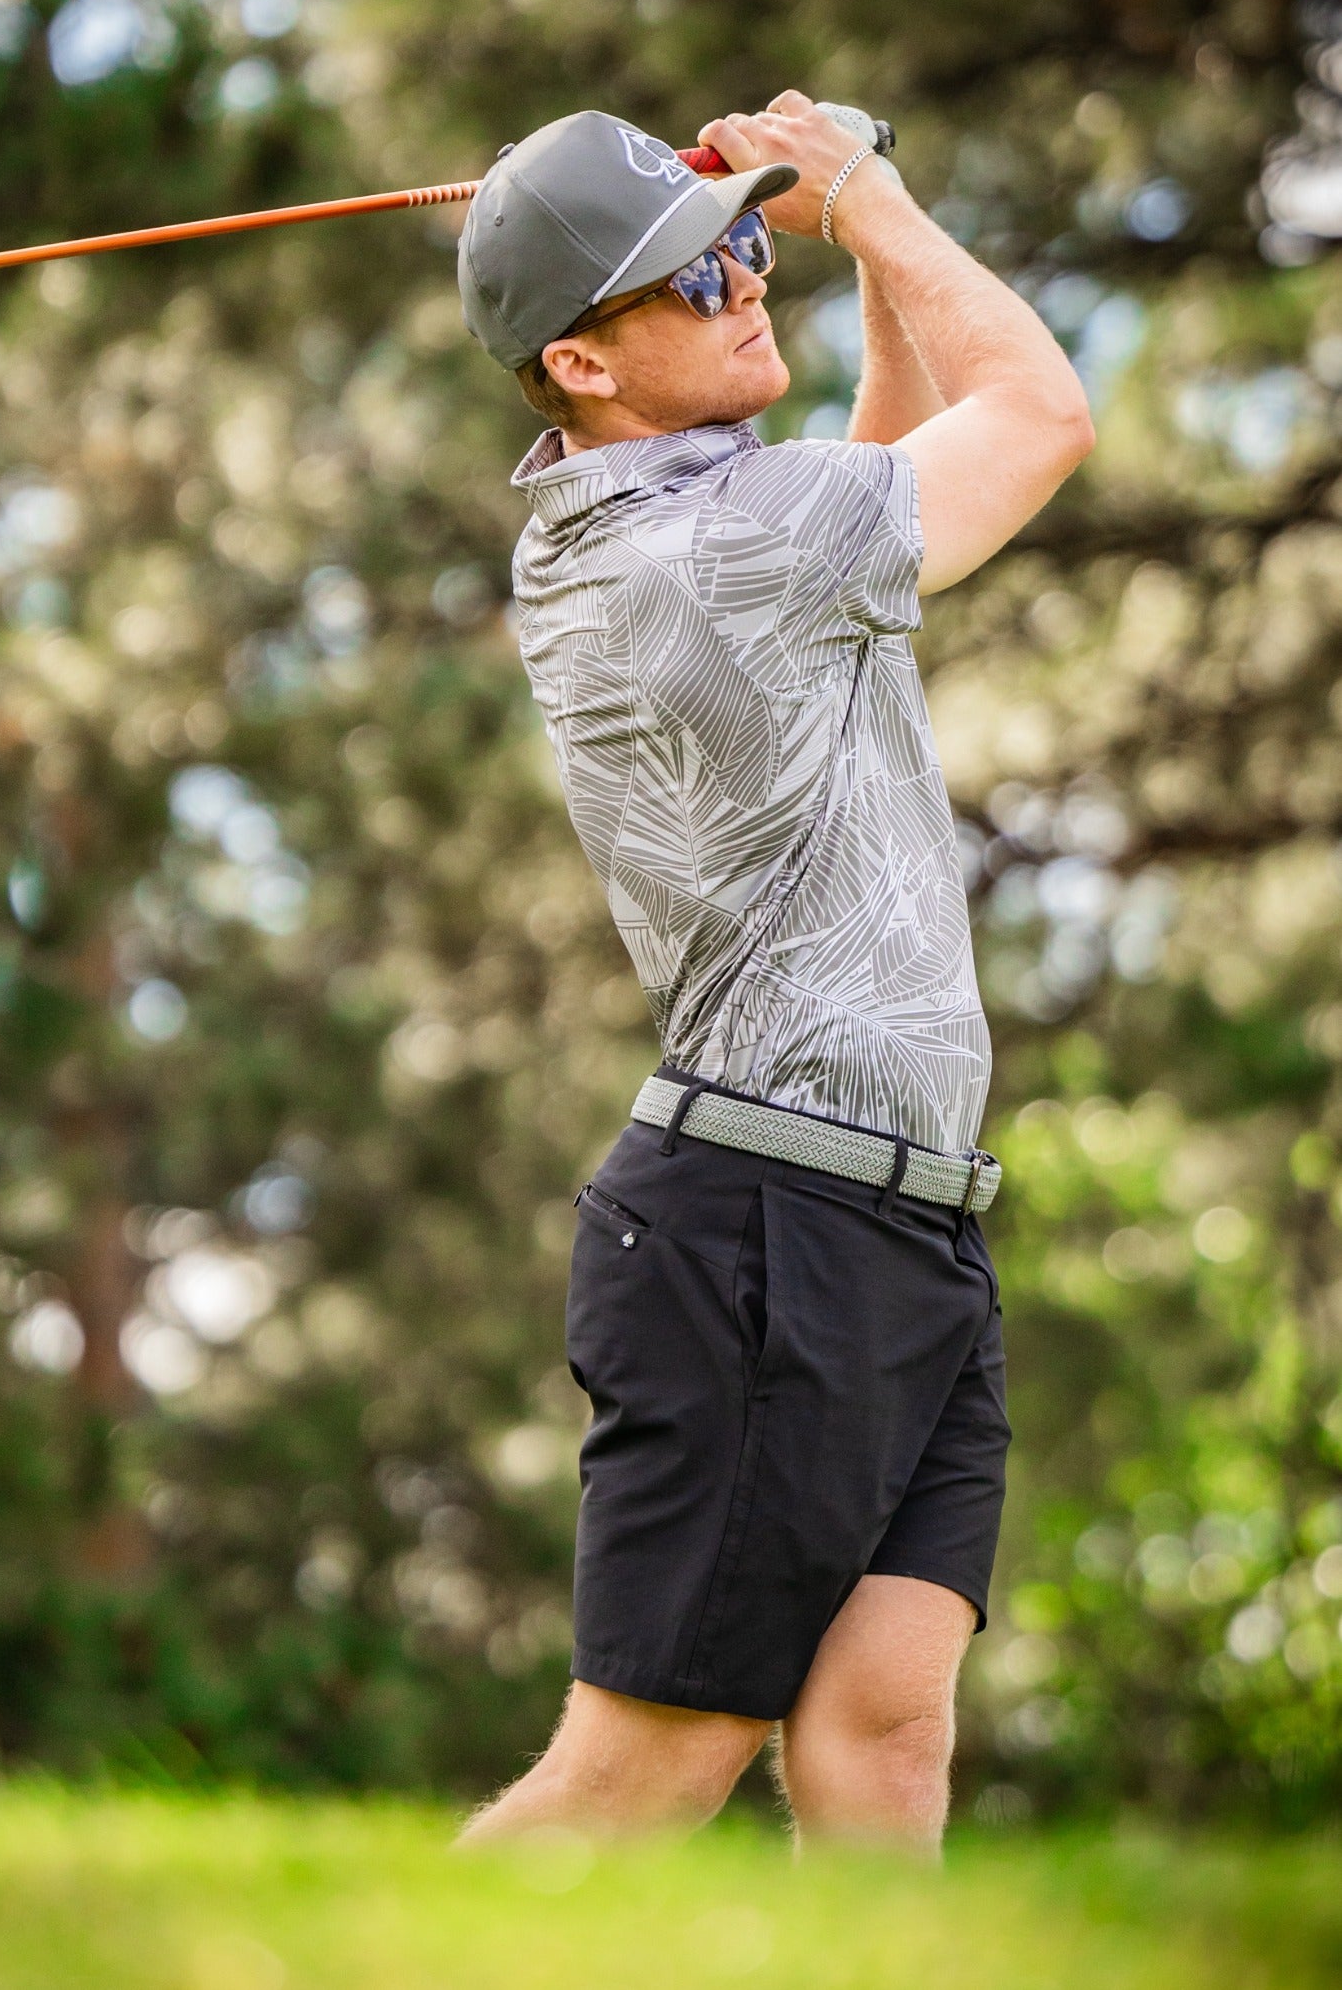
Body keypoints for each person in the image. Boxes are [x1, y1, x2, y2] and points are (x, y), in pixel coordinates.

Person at [451, 94, 1094, 1852]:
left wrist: (834, 240)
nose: (751, 286)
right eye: (697, 277)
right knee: (647, 1764)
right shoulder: (711, 551)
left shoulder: (702, 524)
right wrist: (866, 203)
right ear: (583, 369)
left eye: (747, 248)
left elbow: (877, 468)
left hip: (892, 1224)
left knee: (883, 1739)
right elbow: (1036, 414)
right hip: (766, 1227)